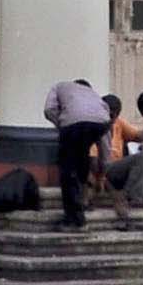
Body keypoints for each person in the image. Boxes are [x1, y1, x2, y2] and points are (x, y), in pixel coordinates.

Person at [42, 75, 111, 228]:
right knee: (82, 161)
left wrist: (61, 124)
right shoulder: (96, 98)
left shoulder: (59, 85)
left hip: (72, 125)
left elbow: (49, 110)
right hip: (99, 124)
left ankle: (73, 219)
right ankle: (82, 203)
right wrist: (103, 171)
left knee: (67, 172)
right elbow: (105, 144)